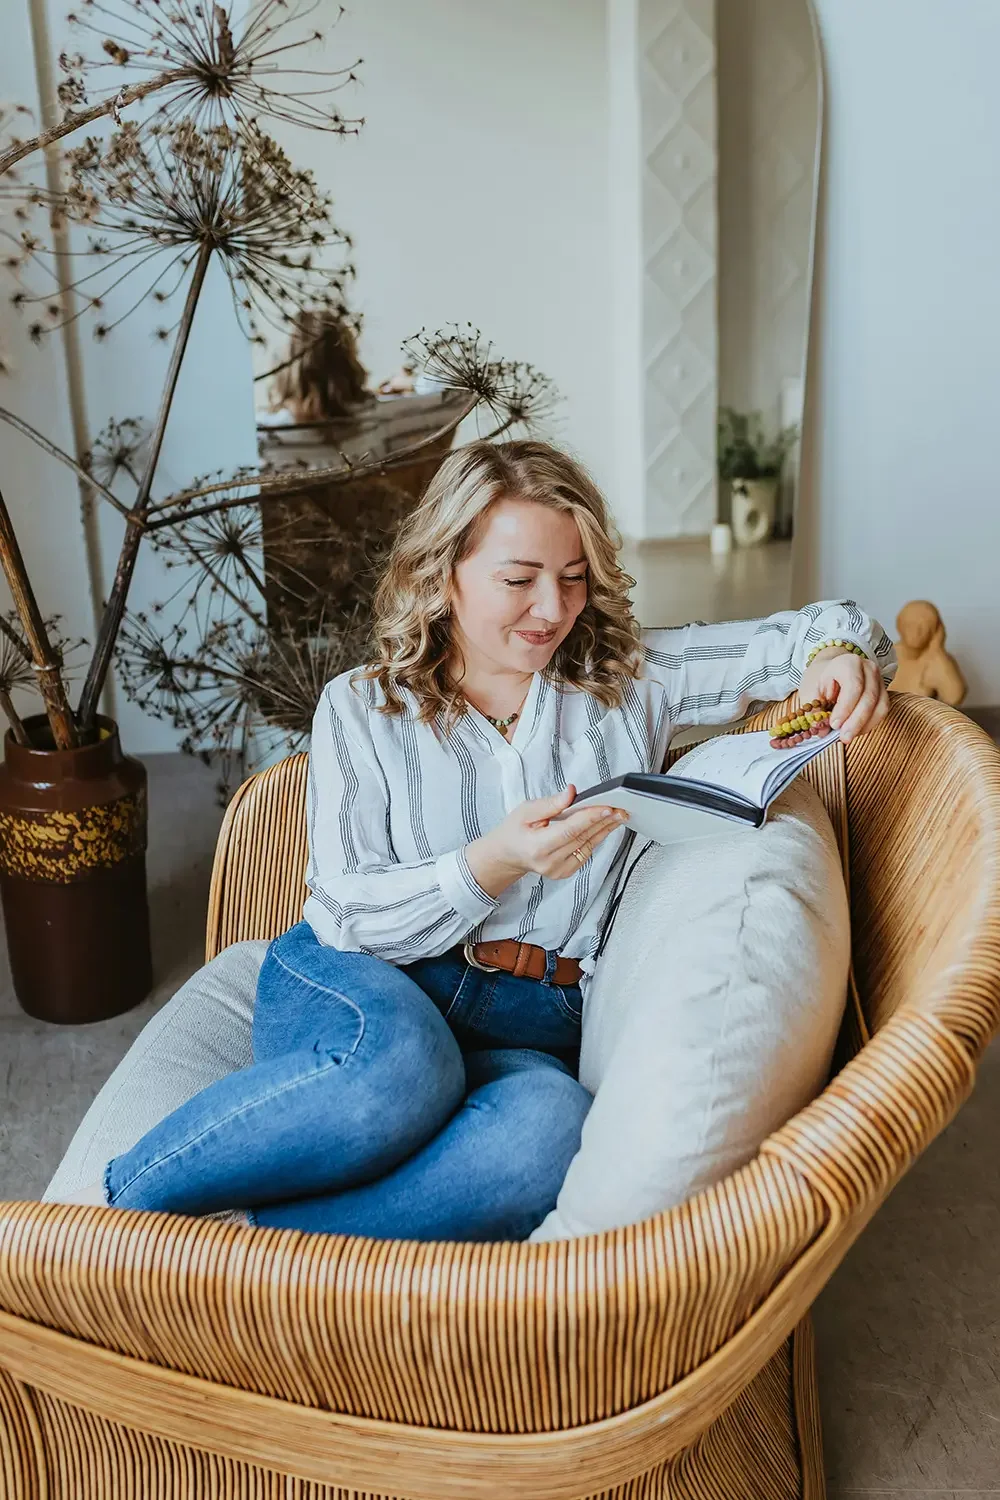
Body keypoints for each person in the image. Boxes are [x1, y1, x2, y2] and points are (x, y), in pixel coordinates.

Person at [56, 441, 896, 1240]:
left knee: (549, 1133)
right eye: (520, 578)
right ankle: (105, 1216)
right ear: (443, 572)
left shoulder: (628, 680)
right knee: (402, 1071)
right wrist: (492, 863)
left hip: (538, 1016)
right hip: (362, 978)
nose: (553, 609)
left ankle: (249, 1253)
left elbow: (821, 627)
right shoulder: (363, 707)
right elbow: (348, 912)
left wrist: (836, 655)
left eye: (572, 578)